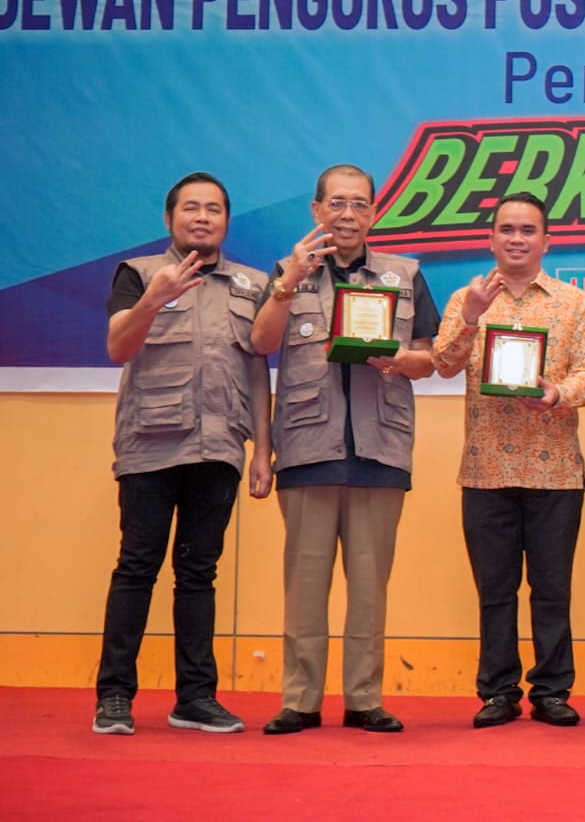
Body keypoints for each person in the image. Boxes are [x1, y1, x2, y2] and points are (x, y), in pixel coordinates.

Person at [251, 164, 439, 735]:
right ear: (316, 211)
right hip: (309, 447)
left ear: (374, 213)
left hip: (380, 447)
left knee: (369, 588)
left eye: (359, 204)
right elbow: (260, 342)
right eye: (336, 203)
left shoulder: (405, 275)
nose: (348, 214)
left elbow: (429, 358)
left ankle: (363, 699)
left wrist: (401, 360)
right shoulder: (288, 272)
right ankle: (300, 700)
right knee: (304, 587)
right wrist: (288, 282)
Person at [92, 172, 271, 736]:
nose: (202, 217)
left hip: (219, 448)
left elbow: (258, 371)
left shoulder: (252, 285)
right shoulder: (139, 274)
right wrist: (154, 298)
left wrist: (263, 448)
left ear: (226, 222)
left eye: (213, 209)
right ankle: (113, 695)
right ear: (169, 218)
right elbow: (118, 347)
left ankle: (195, 697)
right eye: (191, 208)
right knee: (137, 567)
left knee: (198, 573)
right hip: (150, 445)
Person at [432, 193, 585, 729]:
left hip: (555, 469)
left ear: (546, 240)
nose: (517, 238)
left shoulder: (573, 303)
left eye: (528, 230)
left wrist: (557, 394)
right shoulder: (467, 298)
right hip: (486, 469)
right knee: (495, 591)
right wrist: (471, 318)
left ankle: (552, 690)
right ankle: (498, 691)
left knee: (552, 589)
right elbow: (442, 363)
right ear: (491, 239)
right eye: (507, 229)